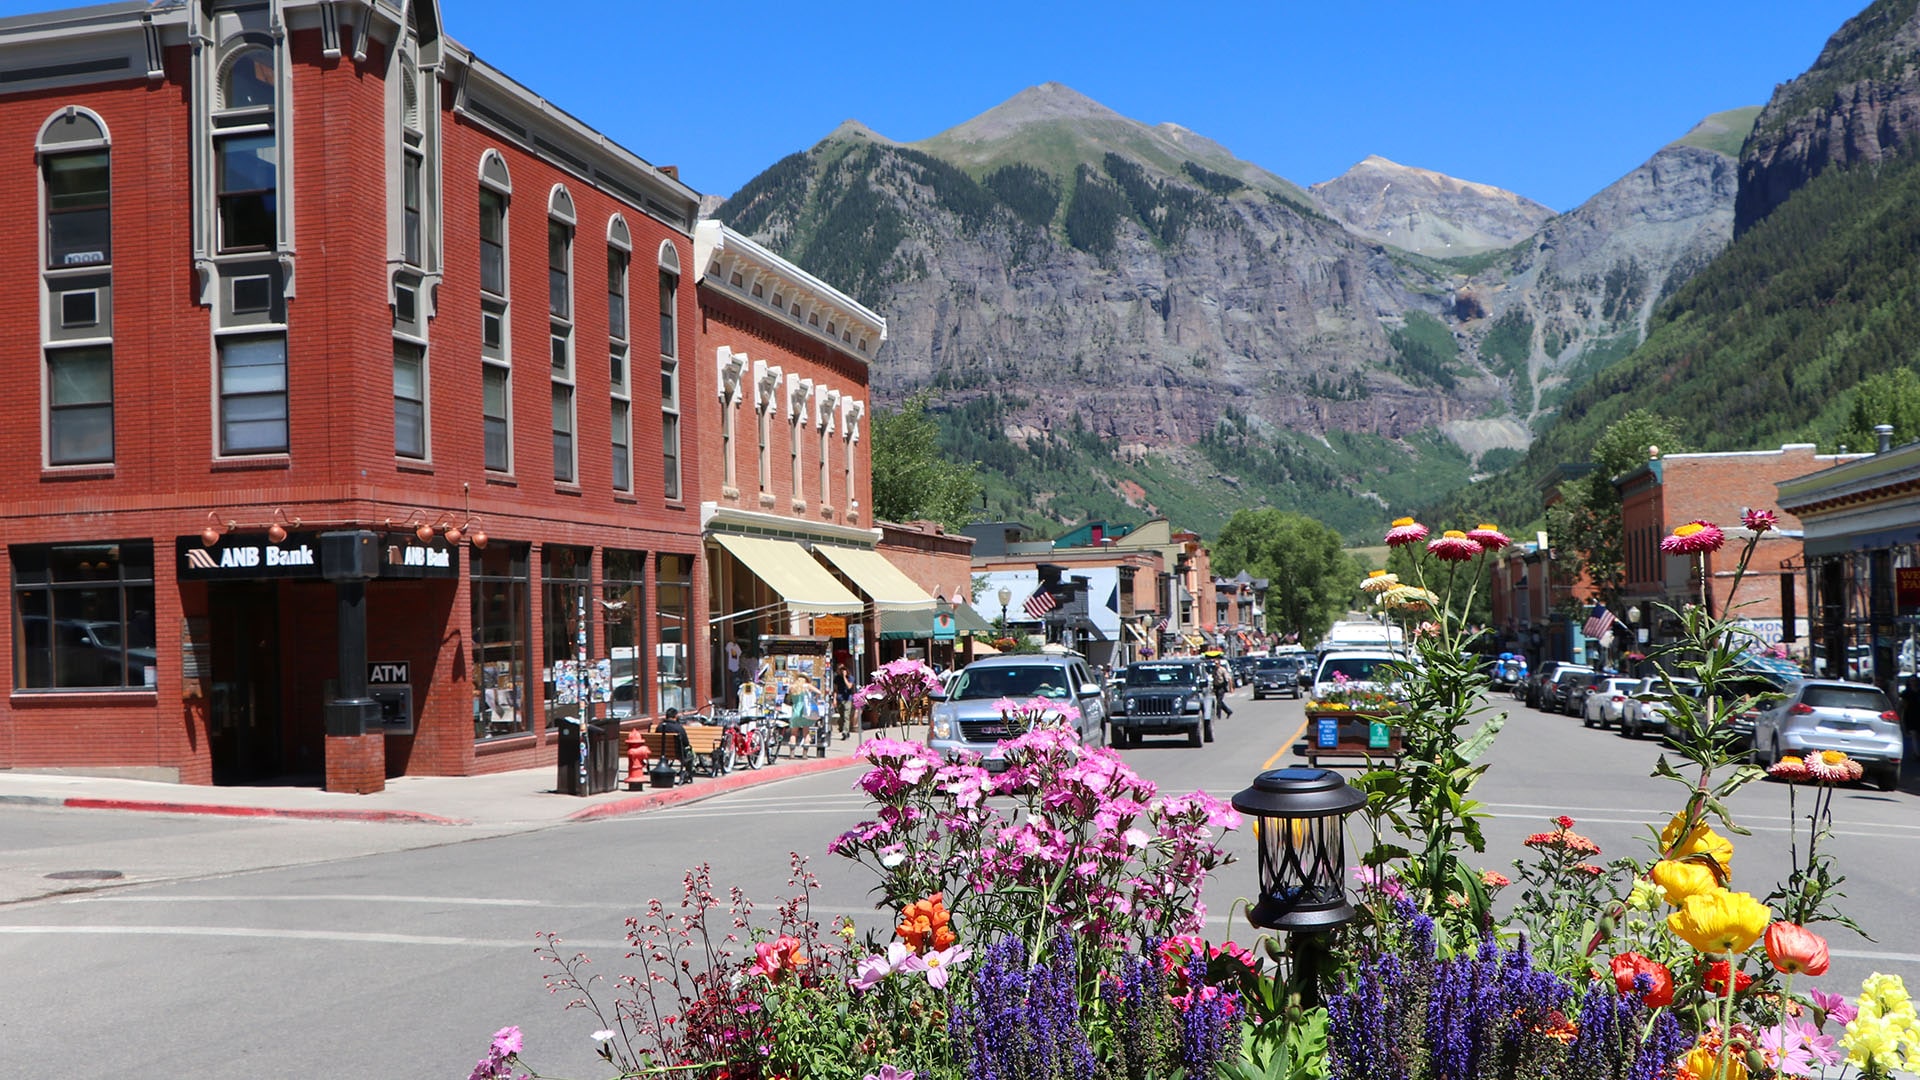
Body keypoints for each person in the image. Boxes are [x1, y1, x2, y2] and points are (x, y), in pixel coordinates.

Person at [833, 663, 856, 740]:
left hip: (847, 699)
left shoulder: (850, 678)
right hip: (840, 699)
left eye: (843, 670)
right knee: (842, 716)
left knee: (846, 716)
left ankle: (845, 732)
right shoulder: (836, 678)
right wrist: (834, 699)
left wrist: (844, 677)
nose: (841, 672)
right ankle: (846, 730)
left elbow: (849, 686)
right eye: (840, 670)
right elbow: (835, 689)